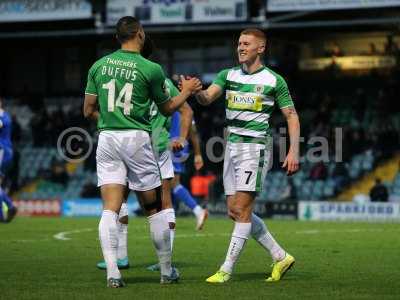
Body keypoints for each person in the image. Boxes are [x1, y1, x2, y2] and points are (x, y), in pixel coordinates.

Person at [83, 16, 201, 288]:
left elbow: (87, 110)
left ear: (117, 37)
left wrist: (110, 120)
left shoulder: (98, 66)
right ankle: (166, 270)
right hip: (137, 139)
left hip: (107, 138)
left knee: (110, 209)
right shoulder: (151, 68)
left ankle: (113, 272)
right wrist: (187, 91)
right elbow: (168, 109)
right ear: (140, 34)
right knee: (156, 209)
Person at [195, 28, 300, 283]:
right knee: (234, 210)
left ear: (260, 48)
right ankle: (280, 256)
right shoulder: (227, 75)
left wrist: (293, 150)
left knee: (241, 208)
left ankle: (226, 269)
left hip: (255, 148)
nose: (240, 47)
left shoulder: (274, 80)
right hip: (231, 147)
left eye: (246, 44)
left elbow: (291, 115)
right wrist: (194, 90)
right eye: (239, 43)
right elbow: (208, 98)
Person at [170, 115, 208, 230]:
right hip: (178, 147)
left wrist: (197, 154)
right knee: (171, 183)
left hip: (172, 146)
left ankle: (197, 210)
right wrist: (197, 153)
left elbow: (192, 130)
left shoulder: (173, 103)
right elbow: (193, 130)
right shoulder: (184, 106)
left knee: (170, 183)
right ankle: (170, 217)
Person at [0, 97, 16, 223]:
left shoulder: (3, 116)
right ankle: (8, 208)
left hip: (2, 151)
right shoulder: (6, 116)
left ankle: (9, 206)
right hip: (6, 151)